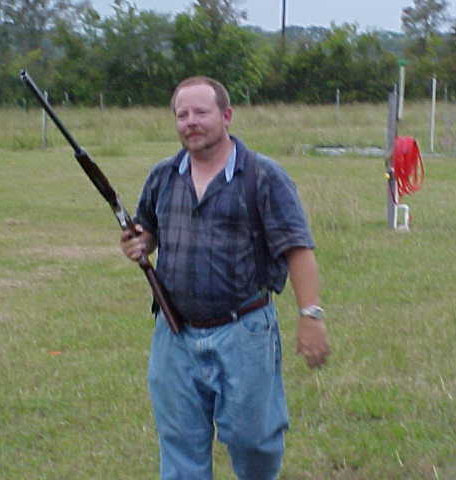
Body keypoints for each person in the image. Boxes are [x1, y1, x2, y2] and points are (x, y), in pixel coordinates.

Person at [120, 76, 330, 480]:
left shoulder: (263, 176)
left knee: (255, 441)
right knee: (180, 445)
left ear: (227, 116)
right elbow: (146, 231)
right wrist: (138, 243)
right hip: (175, 334)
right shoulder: (163, 176)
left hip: (244, 331)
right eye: (182, 115)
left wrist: (311, 315)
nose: (190, 122)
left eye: (201, 112)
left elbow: (297, 249)